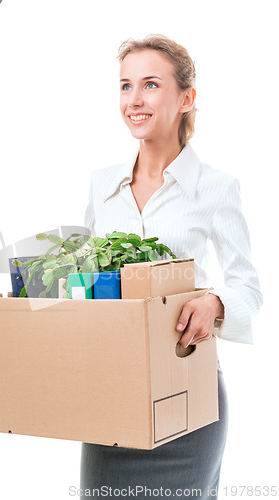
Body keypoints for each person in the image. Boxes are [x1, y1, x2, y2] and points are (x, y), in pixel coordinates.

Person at [80, 34, 263, 500]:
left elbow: (248, 285)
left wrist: (215, 302)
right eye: (125, 86)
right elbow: (83, 281)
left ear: (187, 98)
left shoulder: (217, 188)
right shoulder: (102, 185)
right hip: (110, 395)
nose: (134, 100)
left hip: (186, 392)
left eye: (150, 85)